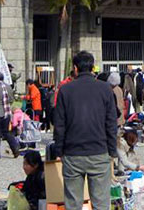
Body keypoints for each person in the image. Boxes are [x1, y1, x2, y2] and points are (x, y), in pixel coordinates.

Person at [54, 50, 117, 210]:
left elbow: (59, 124)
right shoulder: (105, 89)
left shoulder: (65, 90)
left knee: (73, 203)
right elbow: (111, 123)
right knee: (101, 203)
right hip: (99, 151)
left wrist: (58, 151)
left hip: (73, 153)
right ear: (93, 68)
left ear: (75, 68)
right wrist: (112, 150)